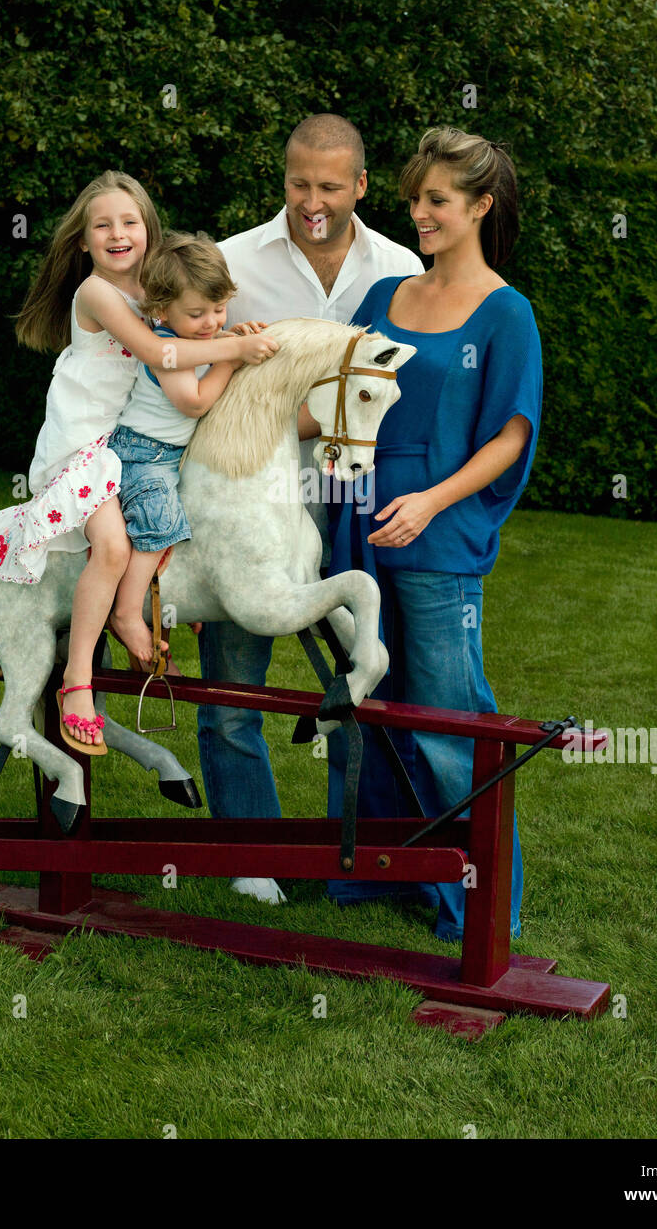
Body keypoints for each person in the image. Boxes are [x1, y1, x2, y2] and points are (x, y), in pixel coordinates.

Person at [316, 126, 542, 943]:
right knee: (366, 708)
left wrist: (432, 503)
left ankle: (477, 899)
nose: (418, 213)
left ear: (480, 206)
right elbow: (343, 400)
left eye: (436, 201)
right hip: (360, 529)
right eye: (413, 199)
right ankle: (378, 875)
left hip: (436, 539)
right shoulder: (385, 299)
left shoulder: (506, 314)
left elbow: (509, 435)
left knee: (448, 717)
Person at [0, 171, 277, 752]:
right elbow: (159, 352)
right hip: (81, 444)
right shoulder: (98, 294)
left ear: (149, 230)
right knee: (111, 547)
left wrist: (226, 335)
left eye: (130, 222)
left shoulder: (159, 294)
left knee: (175, 520)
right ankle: (78, 681)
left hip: (120, 443)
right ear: (82, 241)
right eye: (102, 224)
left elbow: (182, 347)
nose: (117, 233)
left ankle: (158, 609)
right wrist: (234, 346)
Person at [202, 113, 424, 903]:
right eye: (299, 183)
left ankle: (344, 862)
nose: (312, 200)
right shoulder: (231, 263)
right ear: (284, 177)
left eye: (329, 186)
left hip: (352, 499)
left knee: (352, 686)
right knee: (233, 693)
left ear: (360, 185)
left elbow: (396, 386)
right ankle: (249, 859)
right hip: (249, 504)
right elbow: (200, 386)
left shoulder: (398, 269)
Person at [106, 231, 270, 667]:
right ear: (162, 310)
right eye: (197, 313)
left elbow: (216, 345)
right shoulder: (166, 349)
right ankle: (124, 613)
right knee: (158, 522)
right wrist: (230, 356)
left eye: (219, 309)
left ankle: (176, 598)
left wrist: (233, 337)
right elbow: (194, 402)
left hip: (170, 457)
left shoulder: (197, 337)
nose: (212, 322)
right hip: (143, 456)